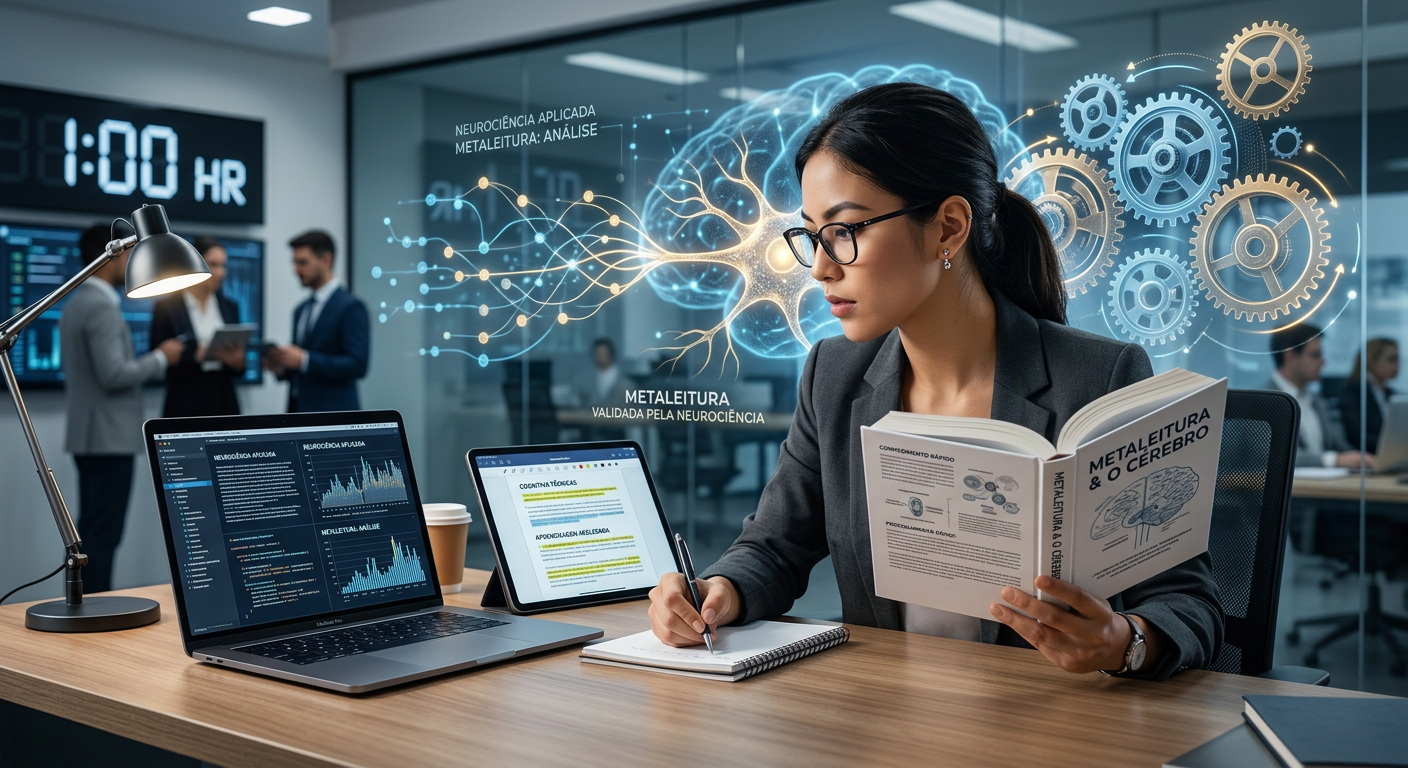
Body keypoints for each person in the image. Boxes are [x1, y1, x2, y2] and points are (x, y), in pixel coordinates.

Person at [647, 83, 1222, 680]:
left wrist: (1124, 642)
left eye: (845, 231)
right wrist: (718, 590)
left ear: (947, 227)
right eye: (813, 235)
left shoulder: (1099, 377)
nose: (820, 267)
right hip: (883, 712)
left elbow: (1189, 604)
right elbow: (774, 547)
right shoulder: (834, 376)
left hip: (1043, 717)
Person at [60, 224, 184, 593]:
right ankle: (96, 610)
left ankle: (88, 606)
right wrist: (161, 358)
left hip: (93, 437)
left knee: (93, 534)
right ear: (110, 255)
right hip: (108, 439)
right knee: (103, 538)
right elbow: (114, 375)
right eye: (128, 254)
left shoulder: (78, 301)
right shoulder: (100, 305)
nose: (131, 263)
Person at [264, 230, 369, 412]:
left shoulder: (351, 307)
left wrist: (305, 360)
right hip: (298, 413)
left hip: (334, 416)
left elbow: (357, 364)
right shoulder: (300, 310)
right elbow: (300, 366)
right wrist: (281, 366)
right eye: (295, 263)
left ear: (326, 260)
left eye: (303, 262)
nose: (296, 270)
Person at [150, 236, 245, 417]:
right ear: (194, 264)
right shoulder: (167, 308)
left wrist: (237, 362)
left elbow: (239, 368)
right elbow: (158, 363)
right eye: (213, 264)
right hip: (184, 401)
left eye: (223, 265)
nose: (221, 273)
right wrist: (197, 355)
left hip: (223, 400)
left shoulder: (230, 307)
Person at [1264, 324, 1373, 469]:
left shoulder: (1318, 401)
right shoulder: (1263, 401)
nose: (1323, 361)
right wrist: (1333, 460)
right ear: (1290, 356)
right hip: (1291, 484)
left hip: (1328, 482)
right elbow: (1270, 455)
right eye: (1315, 355)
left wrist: (1360, 458)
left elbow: (1339, 446)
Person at [1339, 337, 1399, 452]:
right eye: (1391, 359)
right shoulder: (1354, 393)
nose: (1397, 365)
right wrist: (1396, 445)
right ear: (1371, 360)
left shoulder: (1393, 395)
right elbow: (1357, 437)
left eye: (1397, 360)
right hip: (1366, 456)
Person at [589, 337, 629, 406]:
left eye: (602, 354)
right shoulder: (586, 380)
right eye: (597, 354)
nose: (599, 357)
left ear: (611, 354)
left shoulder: (626, 383)